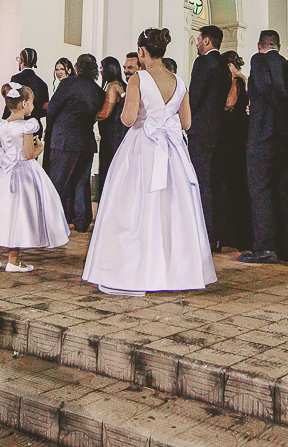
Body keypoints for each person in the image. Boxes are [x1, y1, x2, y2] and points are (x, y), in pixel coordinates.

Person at [83, 27, 216, 296]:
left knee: (134, 208)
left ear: (142, 52)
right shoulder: (179, 81)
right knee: (171, 210)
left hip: (142, 148)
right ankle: (173, 272)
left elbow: (129, 119)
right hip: (172, 151)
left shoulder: (139, 79)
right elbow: (187, 123)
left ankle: (137, 270)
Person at [0, 82, 69, 272]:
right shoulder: (27, 126)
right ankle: (13, 260)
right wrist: (40, 148)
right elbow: (28, 154)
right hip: (21, 174)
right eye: (32, 102)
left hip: (1, 174)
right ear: (24, 104)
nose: (33, 106)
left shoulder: (3, 125)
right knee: (17, 214)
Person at [240, 30, 288, 264]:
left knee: (261, 191)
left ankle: (264, 246)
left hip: (263, 133)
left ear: (259, 45)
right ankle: (286, 247)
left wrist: (260, 109)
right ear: (279, 45)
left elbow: (264, 88)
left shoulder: (259, 60)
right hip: (286, 136)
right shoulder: (286, 65)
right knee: (284, 191)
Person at [44, 54, 104, 231]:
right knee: (82, 182)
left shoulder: (67, 84)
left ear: (77, 67)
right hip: (85, 141)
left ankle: (50, 220)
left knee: (57, 182)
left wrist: (51, 129)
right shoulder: (97, 91)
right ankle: (82, 220)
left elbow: (52, 109)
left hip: (64, 139)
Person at [187, 25, 228, 249]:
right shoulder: (223, 66)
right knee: (216, 181)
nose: (198, 43)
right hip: (218, 129)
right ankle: (218, 234)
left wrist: (186, 120)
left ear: (207, 41)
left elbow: (196, 96)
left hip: (201, 129)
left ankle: (205, 234)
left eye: (200, 39)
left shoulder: (203, 63)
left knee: (200, 180)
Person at [217, 50, 253, 251]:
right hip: (239, 135)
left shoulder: (237, 81)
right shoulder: (243, 80)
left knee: (235, 183)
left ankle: (237, 235)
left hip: (235, 137)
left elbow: (229, 103)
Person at [95, 57, 129, 201]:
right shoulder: (122, 84)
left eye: (102, 67)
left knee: (108, 169)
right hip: (118, 134)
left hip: (112, 135)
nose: (100, 70)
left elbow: (105, 113)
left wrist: (85, 116)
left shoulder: (112, 85)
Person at [4, 48, 50, 121]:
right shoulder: (42, 83)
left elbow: (11, 104)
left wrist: (4, 120)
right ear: (34, 63)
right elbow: (44, 110)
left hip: (18, 123)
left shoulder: (16, 79)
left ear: (21, 61)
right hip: (34, 124)